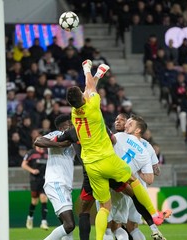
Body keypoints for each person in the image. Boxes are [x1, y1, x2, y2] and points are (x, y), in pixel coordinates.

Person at [66, 60, 167, 240]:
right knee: (133, 181)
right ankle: (154, 214)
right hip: (106, 159)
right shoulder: (93, 107)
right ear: (83, 99)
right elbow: (89, 87)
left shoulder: (74, 114)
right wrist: (88, 70)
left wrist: (97, 75)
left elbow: (86, 91)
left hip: (90, 165)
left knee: (105, 207)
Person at [34, 114, 75, 240]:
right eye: (71, 123)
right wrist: (59, 145)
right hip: (56, 182)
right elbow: (38, 141)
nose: (73, 125)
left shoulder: (73, 139)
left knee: (67, 231)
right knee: (69, 225)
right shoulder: (56, 134)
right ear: (66, 125)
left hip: (65, 185)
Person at [21, 143, 49, 230]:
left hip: (45, 180)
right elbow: (23, 164)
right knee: (34, 201)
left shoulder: (47, 153)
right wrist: (32, 170)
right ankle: (30, 218)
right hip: (35, 180)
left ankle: (44, 222)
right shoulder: (31, 153)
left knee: (44, 199)